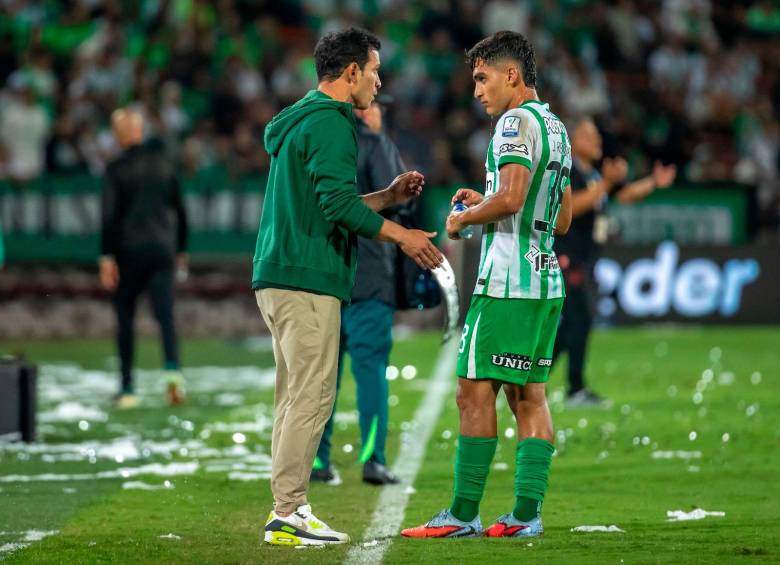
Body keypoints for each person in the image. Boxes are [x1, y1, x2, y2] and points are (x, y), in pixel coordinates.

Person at [254, 28, 443, 547]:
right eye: (375, 70)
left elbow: (328, 200)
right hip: (307, 278)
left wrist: (385, 196)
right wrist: (403, 234)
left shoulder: (300, 120)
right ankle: (287, 511)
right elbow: (337, 208)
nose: (379, 81)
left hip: (280, 276)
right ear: (351, 71)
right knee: (311, 397)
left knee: (294, 399)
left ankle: (287, 507)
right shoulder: (334, 124)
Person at [402, 30, 572, 539]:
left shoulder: (514, 122)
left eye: (482, 78)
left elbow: (515, 197)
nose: (477, 90)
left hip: (508, 283)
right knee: (530, 397)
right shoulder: (556, 126)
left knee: (472, 392)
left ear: (511, 75)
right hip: (545, 282)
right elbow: (559, 217)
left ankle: (461, 513)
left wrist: (462, 219)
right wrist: (489, 197)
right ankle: (525, 515)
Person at [311, 99, 407, 487]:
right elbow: (397, 204)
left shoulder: (324, 144)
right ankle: (372, 461)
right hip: (368, 279)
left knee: (320, 378)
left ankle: (317, 462)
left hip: (328, 276)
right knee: (370, 373)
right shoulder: (376, 144)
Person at [553, 118, 677, 407]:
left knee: (572, 324)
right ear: (572, 142)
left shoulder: (593, 175)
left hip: (583, 258)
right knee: (578, 321)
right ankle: (574, 389)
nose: (597, 142)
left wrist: (653, 183)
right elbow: (569, 207)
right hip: (566, 255)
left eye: (597, 137)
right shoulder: (567, 171)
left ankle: (536, 378)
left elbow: (624, 194)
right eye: (589, 137)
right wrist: (606, 184)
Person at [99, 109, 188, 409]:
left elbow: (109, 216)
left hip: (129, 253)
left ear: (118, 135)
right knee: (165, 316)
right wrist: (182, 250)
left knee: (125, 319)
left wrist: (106, 256)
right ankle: (173, 374)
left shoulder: (116, 169)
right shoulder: (164, 164)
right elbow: (181, 210)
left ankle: (127, 388)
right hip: (162, 249)